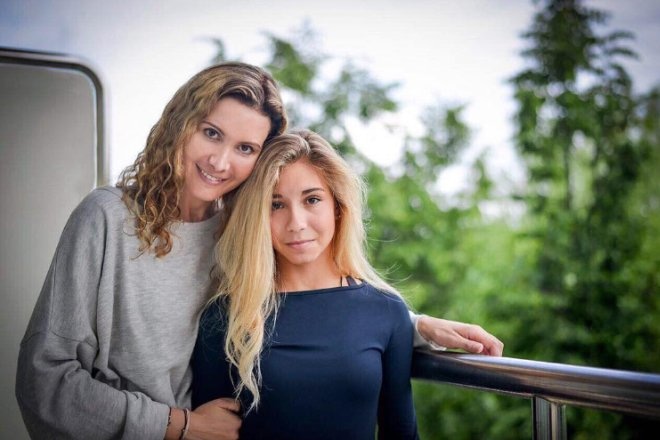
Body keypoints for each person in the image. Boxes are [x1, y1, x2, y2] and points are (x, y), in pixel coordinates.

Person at [15, 61, 501, 440]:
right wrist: (180, 426)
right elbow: (44, 380)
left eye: (246, 148)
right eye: (211, 133)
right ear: (180, 124)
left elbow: (317, 306)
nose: (220, 161)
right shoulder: (105, 217)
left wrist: (412, 326)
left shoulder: (242, 230)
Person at [193, 129, 420, 438]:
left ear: (337, 206)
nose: (296, 223)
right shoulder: (224, 316)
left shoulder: (387, 310)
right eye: (276, 205)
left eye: (312, 199)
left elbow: (401, 432)